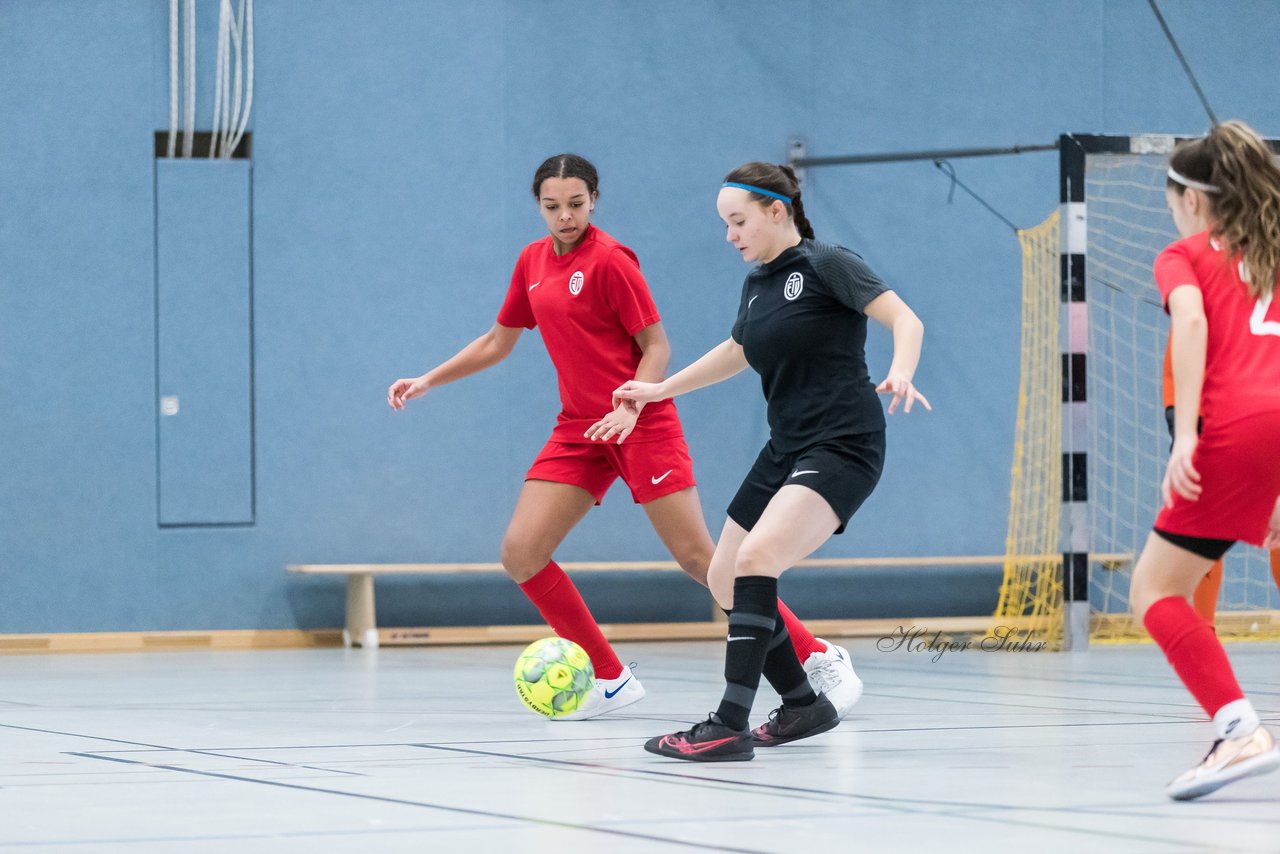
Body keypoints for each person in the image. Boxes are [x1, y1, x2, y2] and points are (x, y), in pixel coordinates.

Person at [387, 153, 859, 721]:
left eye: (576, 205)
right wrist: (429, 379)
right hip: (579, 429)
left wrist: (636, 405)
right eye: (552, 206)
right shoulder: (532, 262)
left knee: (701, 560)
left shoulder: (611, 261)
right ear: (538, 206)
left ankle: (816, 656)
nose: (565, 216)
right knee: (521, 552)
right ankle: (609, 678)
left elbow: (657, 346)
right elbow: (498, 340)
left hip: (640, 421)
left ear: (594, 201)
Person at [614, 162, 929, 761]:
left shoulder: (827, 263)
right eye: (725, 224)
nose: (730, 235)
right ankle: (803, 704)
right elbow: (739, 349)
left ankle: (729, 722)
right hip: (785, 445)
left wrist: (902, 370)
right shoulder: (758, 284)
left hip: (843, 443)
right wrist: (660, 390)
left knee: (759, 559)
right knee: (723, 574)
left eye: (738, 221)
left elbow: (904, 318)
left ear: (775, 211)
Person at [1128, 120, 1280, 800]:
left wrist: (1186, 434)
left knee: (1155, 592)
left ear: (1190, 199)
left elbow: (1189, 323)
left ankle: (1238, 728)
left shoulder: (1183, 254)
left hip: (1237, 425)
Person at [1160, 339, 1280, 621]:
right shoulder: (1200, 302)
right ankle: (1203, 627)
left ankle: (1201, 627)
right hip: (1204, 405)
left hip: (1256, 399)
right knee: (1206, 520)